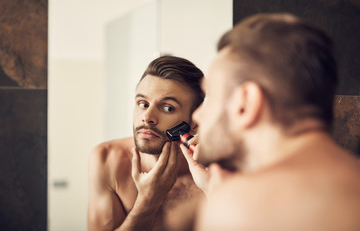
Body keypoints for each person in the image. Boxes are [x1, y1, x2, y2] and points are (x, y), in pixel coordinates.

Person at [180, 13, 360, 230]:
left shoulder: (241, 208)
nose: (198, 115)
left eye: (211, 96)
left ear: (245, 103)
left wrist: (223, 203)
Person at [87, 55, 205, 231]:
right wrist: (148, 201)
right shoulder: (107, 159)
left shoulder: (210, 173)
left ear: (194, 122)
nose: (147, 117)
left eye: (168, 108)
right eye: (143, 103)